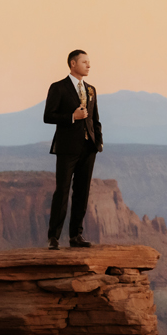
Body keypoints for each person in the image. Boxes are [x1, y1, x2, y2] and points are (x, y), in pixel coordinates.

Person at [44, 49, 103, 249]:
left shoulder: (91, 89)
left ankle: (75, 236)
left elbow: (95, 118)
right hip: (67, 148)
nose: (89, 65)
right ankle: (54, 237)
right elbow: (48, 116)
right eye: (85, 62)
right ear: (72, 64)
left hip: (88, 149)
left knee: (82, 192)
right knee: (62, 191)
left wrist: (98, 142)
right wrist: (72, 117)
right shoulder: (58, 88)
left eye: (89, 62)